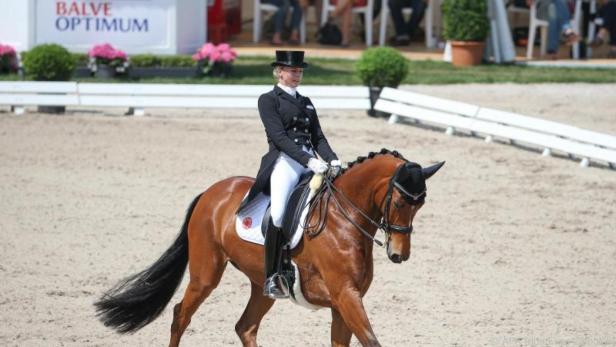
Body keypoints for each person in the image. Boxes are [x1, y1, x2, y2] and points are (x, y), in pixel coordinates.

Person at [237, 51, 341, 299]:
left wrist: (332, 158)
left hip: (312, 162)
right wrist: (308, 160)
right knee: (279, 213)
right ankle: (273, 275)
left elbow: (318, 137)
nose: (297, 75)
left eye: (300, 71)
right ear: (280, 72)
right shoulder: (268, 100)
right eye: (293, 71)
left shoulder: (306, 101)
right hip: (285, 161)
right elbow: (280, 138)